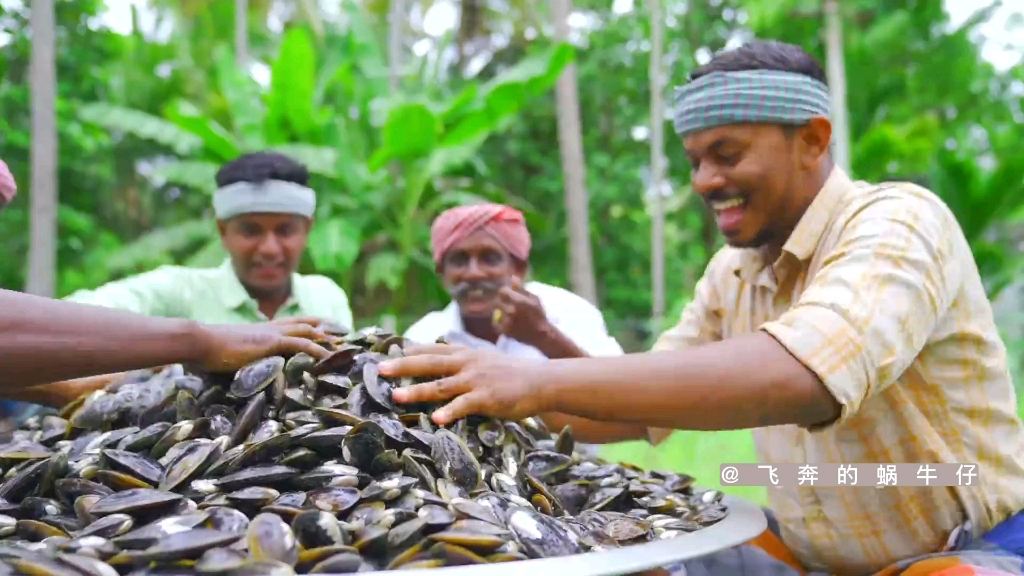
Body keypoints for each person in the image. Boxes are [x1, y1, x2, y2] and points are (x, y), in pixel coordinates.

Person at [374, 41, 1024, 576]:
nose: (704, 182)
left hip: (968, 552)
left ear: (813, 139)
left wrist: (534, 376)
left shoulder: (897, 223)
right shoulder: (732, 272)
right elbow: (637, 412)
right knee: (629, 560)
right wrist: (475, 395)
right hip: (810, 558)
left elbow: (802, 376)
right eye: (693, 161)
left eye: (727, 154)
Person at [23, 151, 355, 411]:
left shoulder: (325, 297)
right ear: (223, 231)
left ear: (307, 230)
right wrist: (169, 349)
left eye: (285, 230)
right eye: (250, 230)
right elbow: (65, 319)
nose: (269, 249)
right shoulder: (178, 290)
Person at [404, 203, 643, 449]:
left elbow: (624, 402)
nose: (473, 273)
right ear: (441, 271)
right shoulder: (423, 339)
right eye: (459, 260)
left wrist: (542, 334)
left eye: (489, 258)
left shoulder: (567, 311)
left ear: (519, 268)